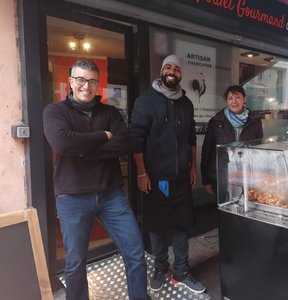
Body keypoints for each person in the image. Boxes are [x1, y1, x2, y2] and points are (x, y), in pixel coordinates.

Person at [43, 59, 147, 300]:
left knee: (135, 251)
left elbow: (125, 143)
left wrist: (82, 147)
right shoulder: (54, 112)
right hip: (73, 198)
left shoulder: (110, 112)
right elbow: (62, 143)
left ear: (97, 84)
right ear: (70, 82)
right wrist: (102, 136)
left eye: (91, 81)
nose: (85, 86)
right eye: (80, 79)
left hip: (111, 194)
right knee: (75, 262)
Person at [130, 54, 206, 294]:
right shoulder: (146, 101)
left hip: (181, 177)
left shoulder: (186, 103)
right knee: (158, 225)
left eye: (176, 68)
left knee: (182, 224)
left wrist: (192, 167)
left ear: (181, 74)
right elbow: (136, 140)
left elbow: (191, 139)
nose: (172, 71)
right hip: (157, 178)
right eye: (168, 67)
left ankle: (182, 270)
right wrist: (142, 173)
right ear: (162, 71)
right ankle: (160, 268)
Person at [201, 85, 263, 195]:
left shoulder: (255, 121)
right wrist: (206, 180)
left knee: (246, 207)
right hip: (221, 176)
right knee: (225, 207)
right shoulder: (216, 121)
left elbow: (259, 150)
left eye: (237, 97)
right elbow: (207, 151)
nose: (234, 101)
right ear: (226, 101)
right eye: (230, 98)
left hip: (247, 175)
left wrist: (259, 175)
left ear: (244, 99)